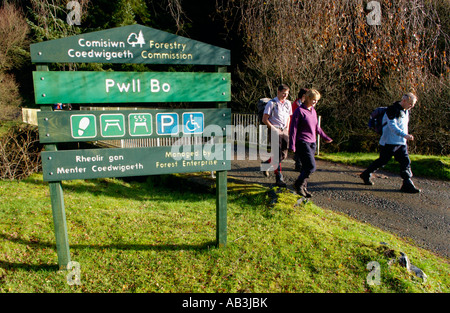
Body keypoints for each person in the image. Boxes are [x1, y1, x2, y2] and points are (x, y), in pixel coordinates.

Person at [360, 93, 420, 193]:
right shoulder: (392, 110)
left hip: (401, 143)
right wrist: (405, 135)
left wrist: (404, 137)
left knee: (405, 161)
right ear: (404, 100)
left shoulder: (406, 111)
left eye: (413, 105)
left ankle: (407, 182)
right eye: (410, 104)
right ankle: (366, 174)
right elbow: (392, 126)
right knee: (382, 161)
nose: (411, 106)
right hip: (389, 142)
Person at [289, 89, 332, 197]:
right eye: (314, 100)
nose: (315, 102)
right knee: (311, 167)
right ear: (307, 98)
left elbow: (317, 127)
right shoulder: (299, 111)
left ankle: (303, 187)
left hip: (312, 142)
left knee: (305, 167)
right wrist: (292, 145)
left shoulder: (313, 110)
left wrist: (325, 137)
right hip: (302, 142)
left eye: (317, 100)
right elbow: (293, 129)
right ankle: (298, 184)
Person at [261, 84, 292, 187]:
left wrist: (287, 127)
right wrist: (273, 129)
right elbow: (264, 119)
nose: (285, 95)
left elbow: (288, 117)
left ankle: (266, 163)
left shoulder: (288, 103)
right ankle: (279, 177)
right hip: (275, 130)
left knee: (284, 154)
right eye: (283, 93)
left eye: (287, 94)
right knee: (277, 154)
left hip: (284, 130)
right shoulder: (271, 103)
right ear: (278, 92)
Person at [290, 88, 309, 172]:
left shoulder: (299, 102)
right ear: (303, 95)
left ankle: (298, 163)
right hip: (297, 127)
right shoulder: (298, 104)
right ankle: (298, 164)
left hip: (300, 127)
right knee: (299, 147)